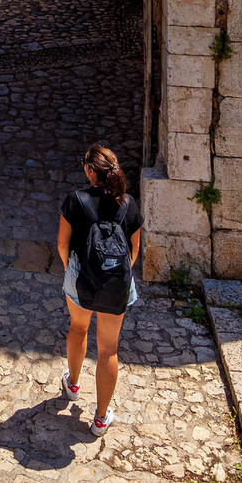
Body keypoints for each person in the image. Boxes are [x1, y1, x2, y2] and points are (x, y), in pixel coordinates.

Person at [58, 143, 141, 434]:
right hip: (116, 281)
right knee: (108, 348)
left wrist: (76, 270)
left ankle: (73, 384)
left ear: (90, 171)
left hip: (81, 278)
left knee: (78, 329)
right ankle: (101, 417)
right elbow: (134, 251)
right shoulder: (129, 205)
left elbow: (62, 245)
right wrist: (114, 274)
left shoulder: (75, 200)